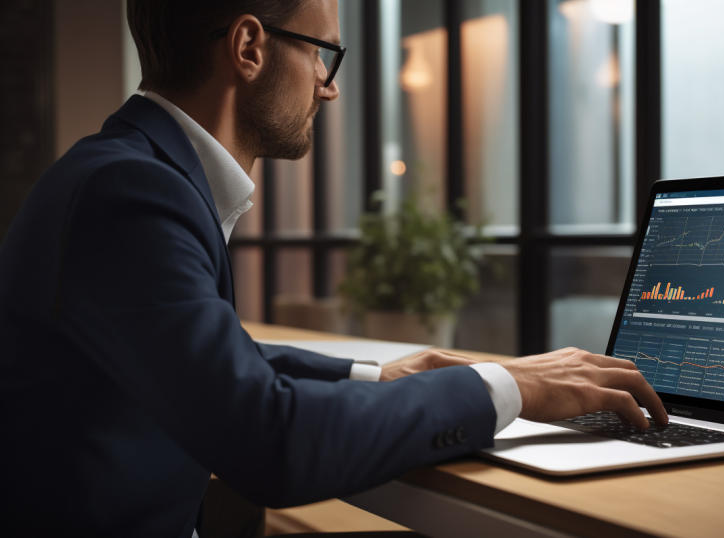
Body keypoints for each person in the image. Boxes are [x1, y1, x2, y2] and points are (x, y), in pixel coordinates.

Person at [0, 0, 667, 535]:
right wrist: (512, 387)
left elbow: (215, 362)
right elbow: (271, 442)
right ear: (249, 48)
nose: (331, 87)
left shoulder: (125, 173)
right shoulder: (132, 195)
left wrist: (380, 373)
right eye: (324, 52)